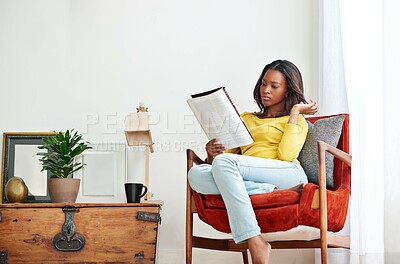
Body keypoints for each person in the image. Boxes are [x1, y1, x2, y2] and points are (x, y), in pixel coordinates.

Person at [188, 59, 318, 264]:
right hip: (248, 173)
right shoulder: (247, 118)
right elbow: (224, 160)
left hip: (287, 172)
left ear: (287, 90)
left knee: (225, 164)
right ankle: (267, 190)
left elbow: (286, 155)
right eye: (263, 83)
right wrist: (212, 153)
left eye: (274, 86)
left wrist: (294, 112)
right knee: (195, 174)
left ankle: (255, 241)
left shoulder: (296, 120)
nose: (266, 90)